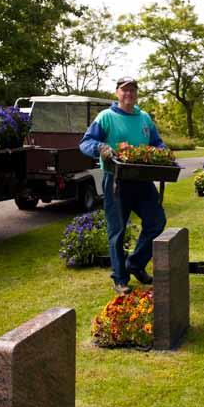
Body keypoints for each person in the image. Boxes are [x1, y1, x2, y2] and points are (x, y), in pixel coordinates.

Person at [79, 77, 167, 295]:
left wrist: (163, 152)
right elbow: (85, 142)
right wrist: (101, 147)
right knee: (117, 231)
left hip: (143, 180)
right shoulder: (106, 117)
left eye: (132, 90)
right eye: (124, 90)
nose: (129, 93)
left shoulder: (144, 118)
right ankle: (120, 278)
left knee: (157, 221)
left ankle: (135, 264)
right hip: (116, 181)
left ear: (136, 94)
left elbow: (157, 143)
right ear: (117, 93)